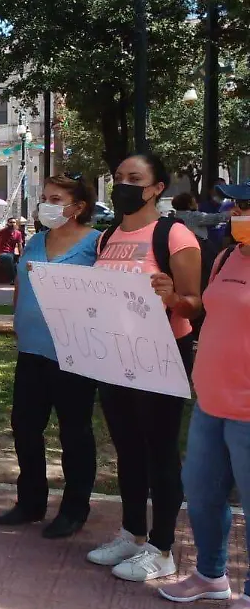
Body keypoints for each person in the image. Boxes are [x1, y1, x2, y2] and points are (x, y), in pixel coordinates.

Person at [87, 153, 202, 582]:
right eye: (119, 178)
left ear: (157, 188)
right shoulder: (107, 237)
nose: (124, 185)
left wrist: (173, 297)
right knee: (127, 447)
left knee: (160, 451)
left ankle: (163, 547)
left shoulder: (175, 236)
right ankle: (132, 533)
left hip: (161, 355)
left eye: (135, 178)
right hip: (115, 357)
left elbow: (195, 303)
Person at [157, 186, 250, 609]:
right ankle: (211, 576)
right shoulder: (226, 257)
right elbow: (207, 313)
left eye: (247, 207)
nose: (237, 212)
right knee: (202, 494)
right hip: (211, 401)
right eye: (238, 205)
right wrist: (175, 299)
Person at [0, 174, 100, 538]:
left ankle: (74, 509)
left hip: (74, 354)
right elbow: (21, 284)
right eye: (45, 197)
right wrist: (17, 319)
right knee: (25, 427)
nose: (47, 204)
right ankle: (30, 502)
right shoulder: (36, 241)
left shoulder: (95, 245)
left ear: (78, 207)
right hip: (32, 350)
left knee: (74, 433)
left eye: (56, 198)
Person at [0, 217, 25, 284]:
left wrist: (22, 256)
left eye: (14, 222)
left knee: (21, 259)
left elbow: (20, 246)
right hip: (2, 254)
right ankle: (14, 279)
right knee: (9, 258)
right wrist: (6, 228)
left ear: (16, 223)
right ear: (7, 223)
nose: (12, 224)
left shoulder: (18, 233)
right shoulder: (3, 231)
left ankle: (21, 279)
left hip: (11, 254)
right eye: (10, 222)